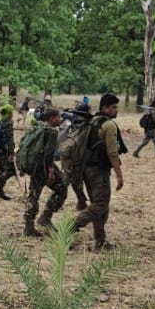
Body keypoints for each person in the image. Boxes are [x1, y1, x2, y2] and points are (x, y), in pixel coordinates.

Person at [73, 93, 126, 251]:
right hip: (98, 170)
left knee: (100, 205)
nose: (116, 110)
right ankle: (71, 226)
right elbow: (112, 152)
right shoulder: (108, 125)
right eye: (113, 107)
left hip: (85, 169)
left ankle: (100, 241)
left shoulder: (93, 121)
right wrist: (119, 175)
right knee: (100, 204)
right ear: (105, 108)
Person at [23, 108, 69, 237]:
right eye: (58, 117)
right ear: (52, 118)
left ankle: (29, 225)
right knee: (62, 187)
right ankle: (45, 217)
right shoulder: (51, 132)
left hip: (35, 166)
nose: (60, 120)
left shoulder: (38, 127)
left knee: (33, 195)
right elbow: (49, 153)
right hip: (44, 167)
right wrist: (50, 171)